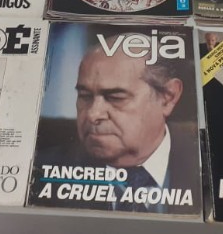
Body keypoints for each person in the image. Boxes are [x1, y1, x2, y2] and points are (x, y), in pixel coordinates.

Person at [35, 37, 199, 214]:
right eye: (85, 96)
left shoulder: (206, 165)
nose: (92, 114)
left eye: (116, 98)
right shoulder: (38, 174)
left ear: (168, 97)